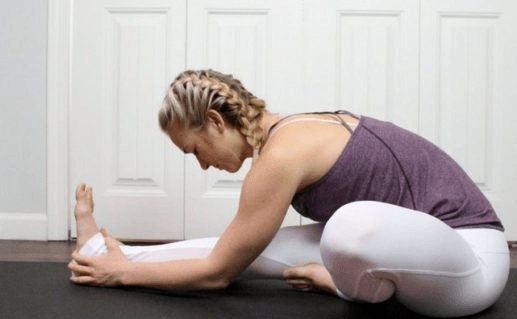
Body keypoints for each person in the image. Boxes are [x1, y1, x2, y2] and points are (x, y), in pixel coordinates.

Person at [69, 69, 509, 318]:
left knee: (346, 229)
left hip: (469, 262)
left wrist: (119, 279)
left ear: (216, 122)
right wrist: (118, 265)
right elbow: (228, 256)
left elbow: (215, 275)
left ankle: (351, 286)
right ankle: (105, 253)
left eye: (194, 149)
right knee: (248, 247)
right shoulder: (287, 132)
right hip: (409, 250)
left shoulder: (280, 156)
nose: (201, 163)